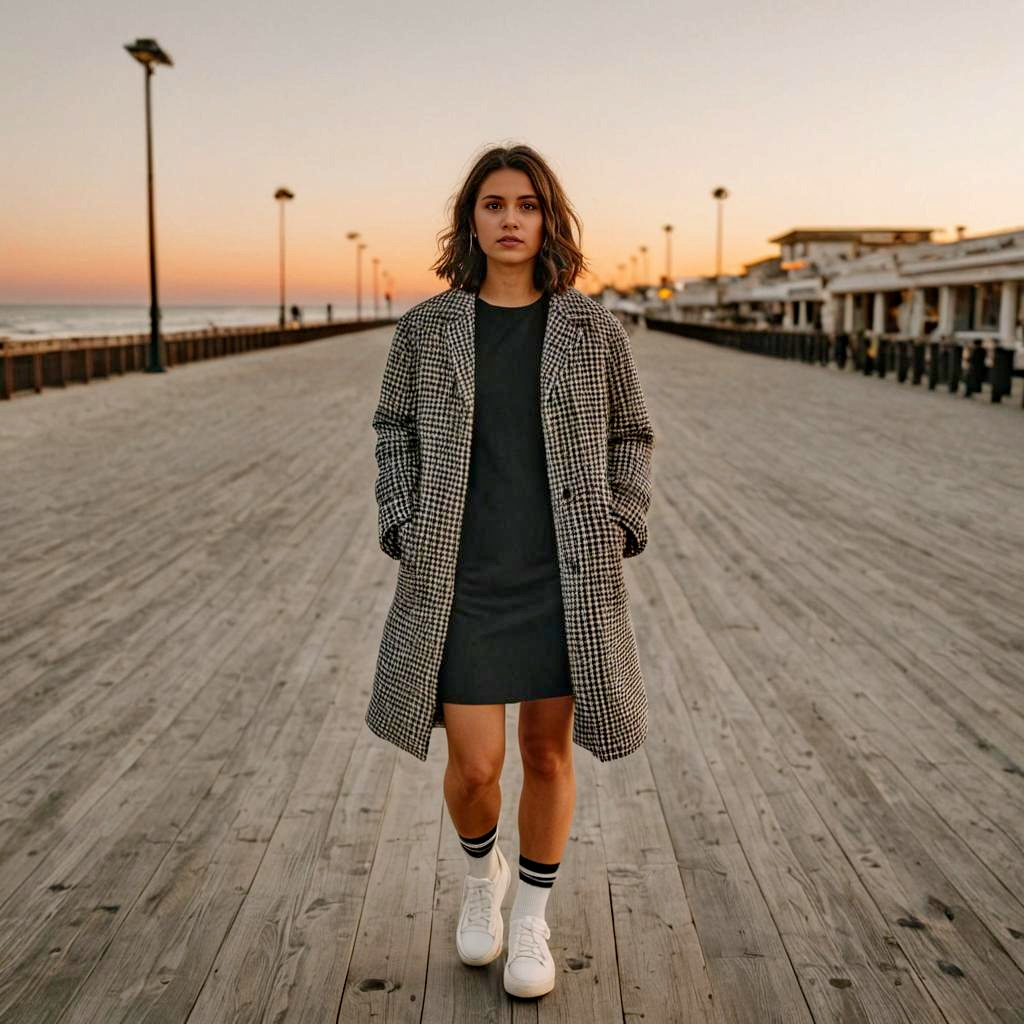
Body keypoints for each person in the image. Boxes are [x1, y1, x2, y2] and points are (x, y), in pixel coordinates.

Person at [368, 143, 655, 1000]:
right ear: (471, 221)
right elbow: (395, 428)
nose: (509, 220)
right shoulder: (427, 327)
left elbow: (629, 435)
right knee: (476, 766)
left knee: (547, 752)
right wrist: (402, 516)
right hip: (457, 577)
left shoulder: (591, 328)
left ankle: (531, 915)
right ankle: (477, 878)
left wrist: (621, 516)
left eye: (526, 205)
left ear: (547, 220)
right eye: (493, 205)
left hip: (564, 575)